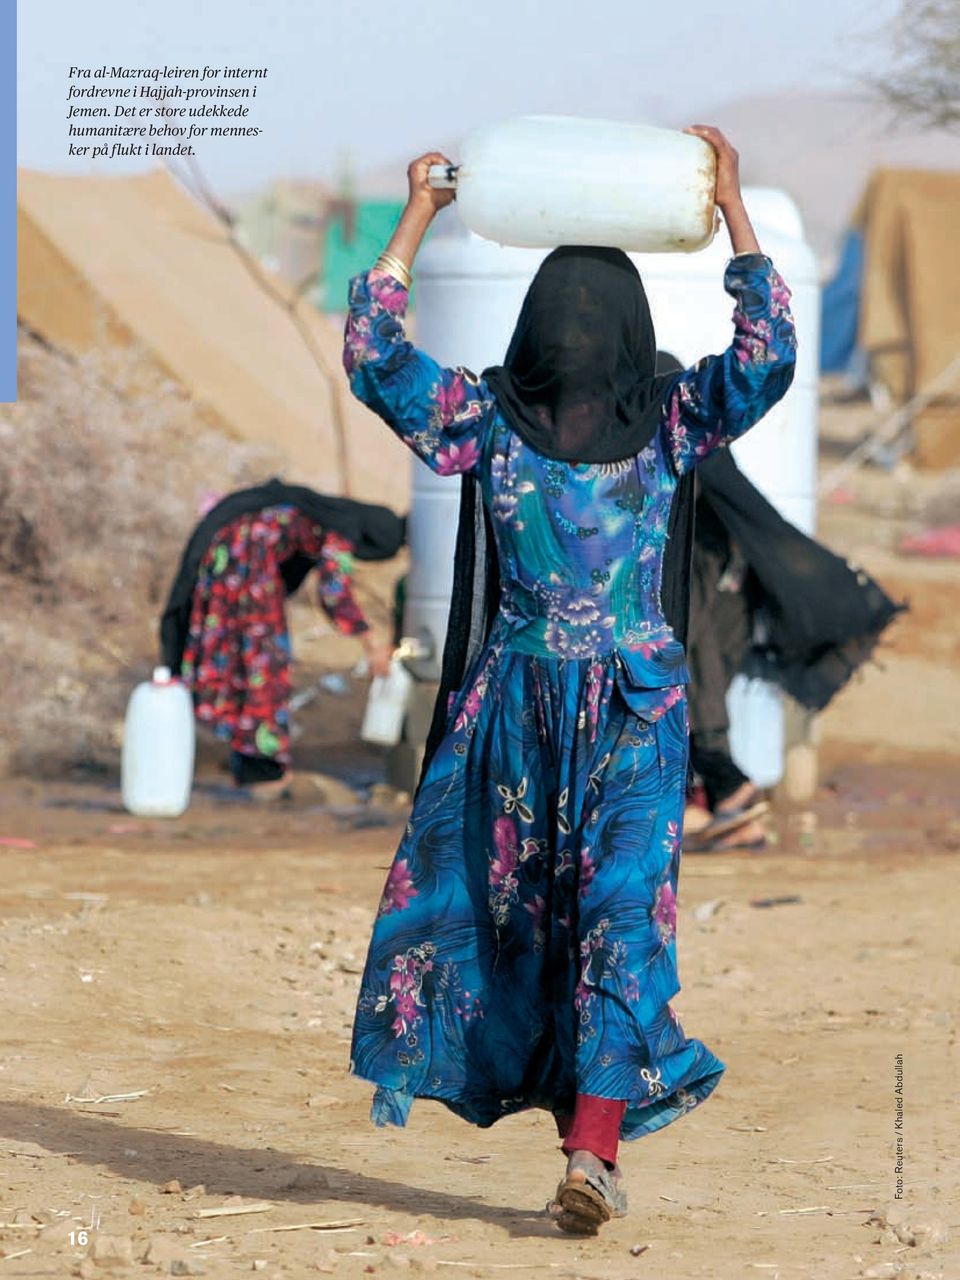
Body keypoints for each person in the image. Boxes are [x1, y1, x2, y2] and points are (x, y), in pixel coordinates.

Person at [342, 126, 797, 1234]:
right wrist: (731, 209)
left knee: (578, 923)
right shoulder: (673, 419)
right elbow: (769, 349)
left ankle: (591, 1151)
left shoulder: (487, 426)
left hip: (525, 709)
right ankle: (588, 1133)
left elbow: (371, 353)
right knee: (594, 924)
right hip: (633, 710)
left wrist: (417, 218)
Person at [655, 349, 904, 853]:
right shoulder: (707, 459)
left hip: (706, 615)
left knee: (690, 680)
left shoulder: (682, 474)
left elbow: (690, 643)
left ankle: (728, 796)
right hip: (725, 604)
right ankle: (719, 800)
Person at [160, 478, 404, 794]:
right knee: (263, 667)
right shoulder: (340, 530)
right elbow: (334, 592)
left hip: (230, 560)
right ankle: (263, 769)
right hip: (247, 570)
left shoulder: (318, 511)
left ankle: (249, 761)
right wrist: (371, 642)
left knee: (238, 661)